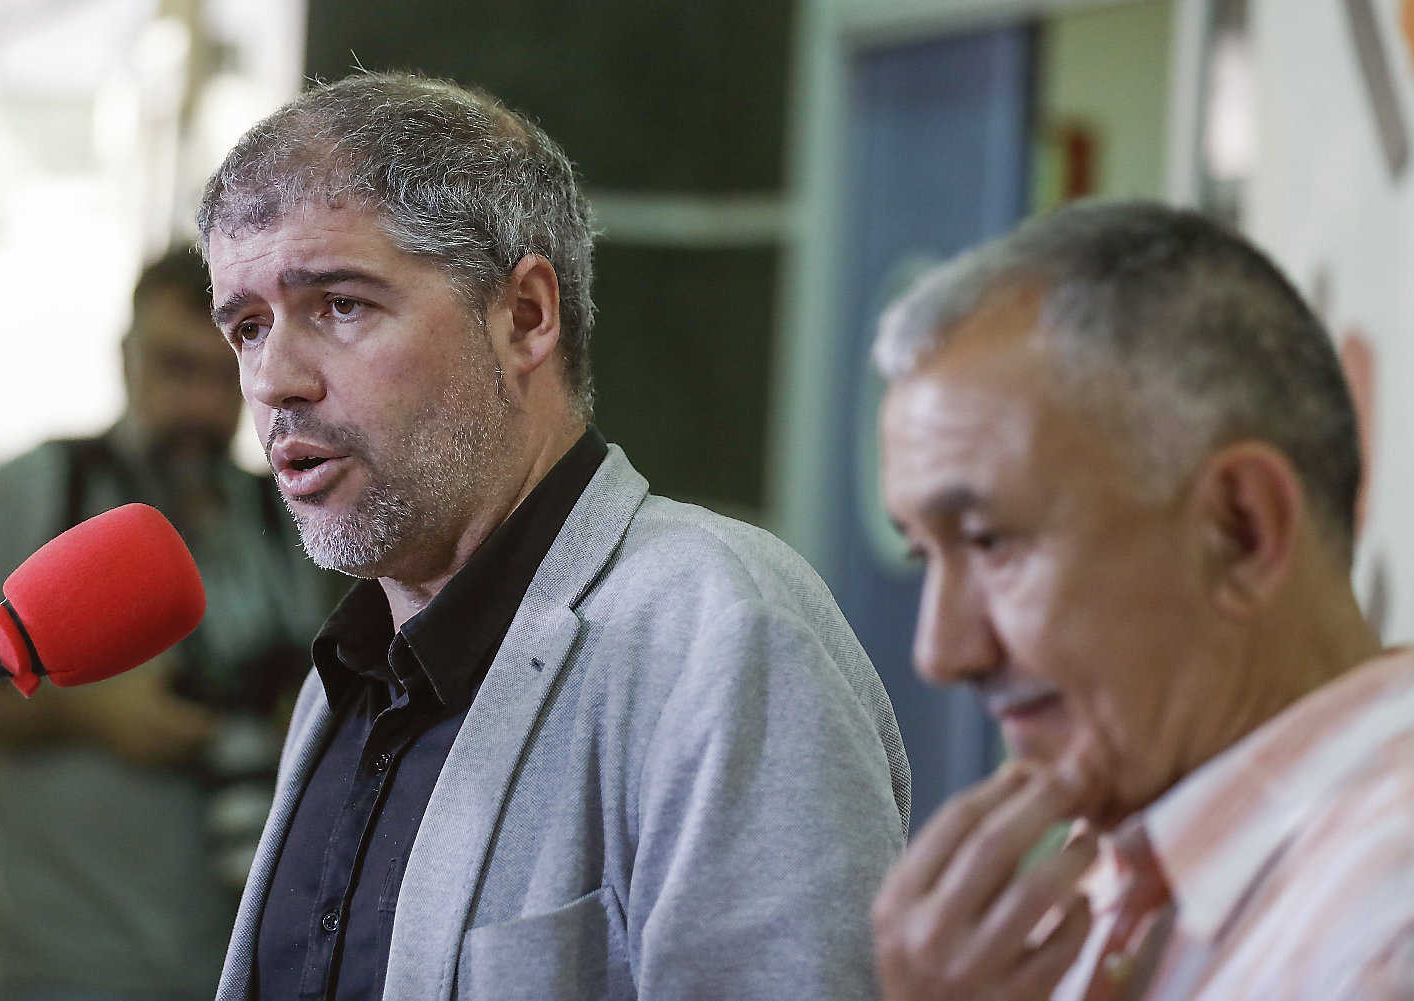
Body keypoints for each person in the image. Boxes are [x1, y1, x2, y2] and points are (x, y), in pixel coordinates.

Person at [197, 72, 910, 1001]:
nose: (274, 381)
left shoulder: (723, 629)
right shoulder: (349, 676)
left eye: (340, 305)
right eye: (248, 328)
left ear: (526, 315)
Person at [870, 202, 1414, 1000]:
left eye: (993, 543)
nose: (943, 651)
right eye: (926, 554)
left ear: (1242, 530)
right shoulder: (1134, 867)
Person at [0, 249, 335, 1001]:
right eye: (176, 370)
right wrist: (78, 713)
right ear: (125, 358)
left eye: (226, 376)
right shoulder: (28, 492)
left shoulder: (289, 518)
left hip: (238, 957)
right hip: (62, 958)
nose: (204, 410)